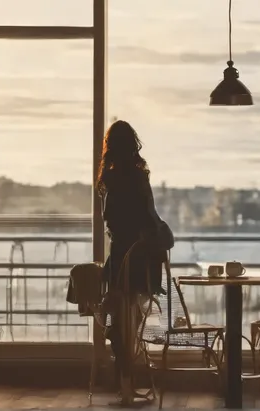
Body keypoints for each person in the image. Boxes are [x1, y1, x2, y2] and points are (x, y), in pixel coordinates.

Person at [96, 120, 165, 403]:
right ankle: (127, 383)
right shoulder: (139, 177)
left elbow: (108, 219)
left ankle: (124, 383)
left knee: (120, 320)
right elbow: (150, 215)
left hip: (120, 254)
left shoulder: (109, 178)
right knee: (133, 321)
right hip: (139, 256)